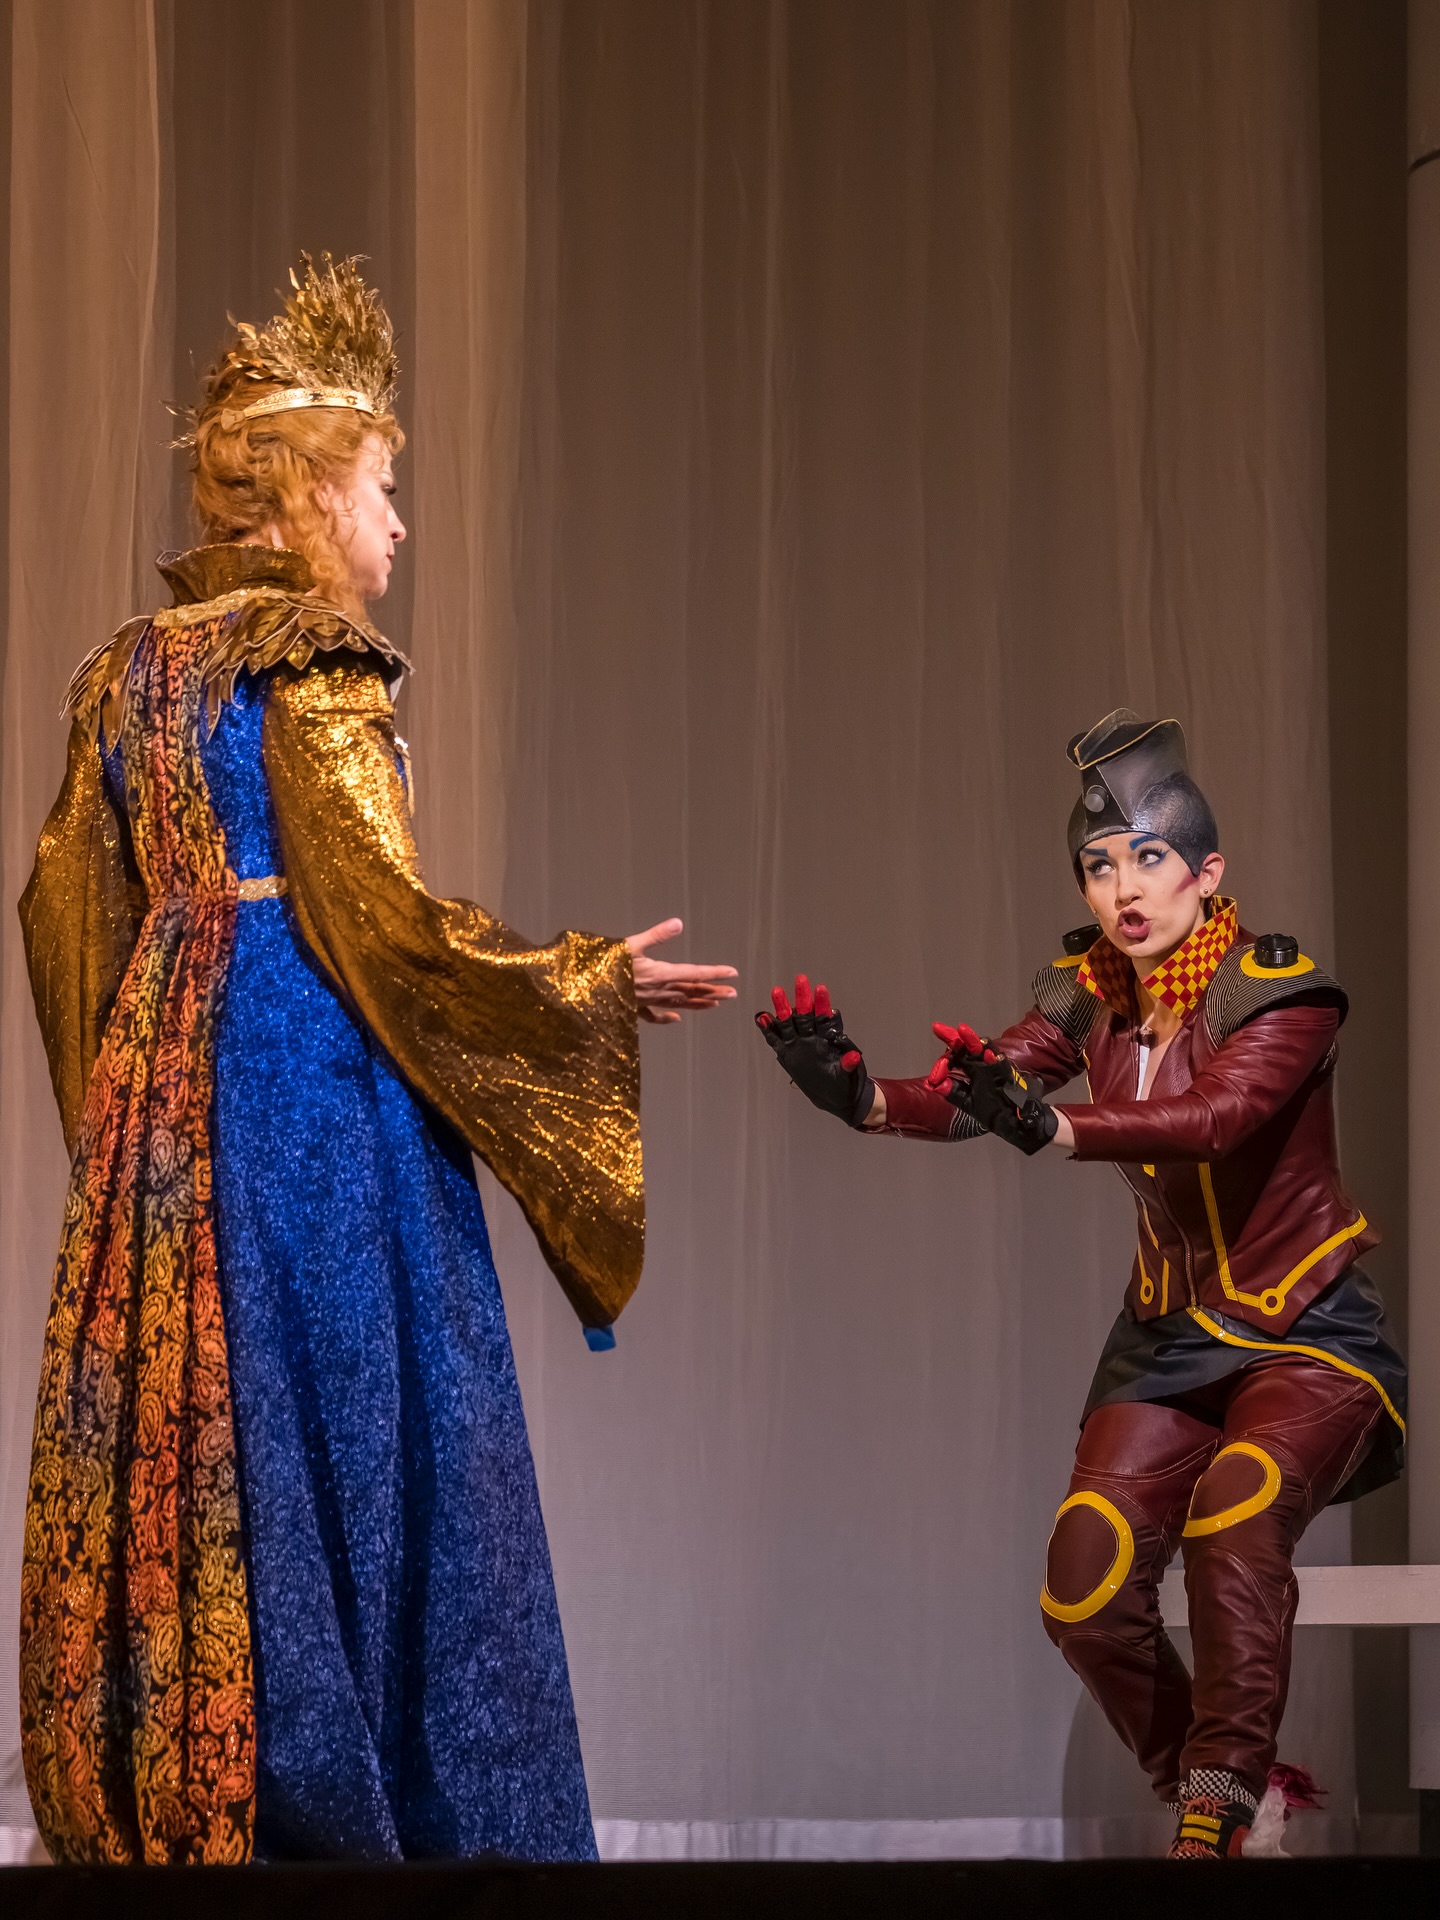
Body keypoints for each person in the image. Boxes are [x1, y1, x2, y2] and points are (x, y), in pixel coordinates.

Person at [18, 255, 737, 1866]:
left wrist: (130, 1152)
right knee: (369, 1402)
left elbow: (67, 922)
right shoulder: (313, 665)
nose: (400, 528)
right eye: (387, 489)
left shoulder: (121, 679)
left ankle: (208, 1792)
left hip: (172, 1090)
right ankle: (387, 1811)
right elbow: (385, 928)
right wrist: (578, 984)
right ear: (310, 500)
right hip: (316, 1079)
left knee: (216, 1406)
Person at [758, 708, 1405, 1860]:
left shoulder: (1278, 991)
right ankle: (1237, 1792)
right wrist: (860, 1096)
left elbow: (1211, 1121)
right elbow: (983, 1090)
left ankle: (1214, 1814)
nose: (1122, 890)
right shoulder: (1090, 989)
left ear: (1207, 873)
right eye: (1099, 867)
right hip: (1167, 1335)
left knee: (1239, 1520)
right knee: (1084, 1584)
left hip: (1306, 1331)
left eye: (1148, 859)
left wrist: (1049, 1127)